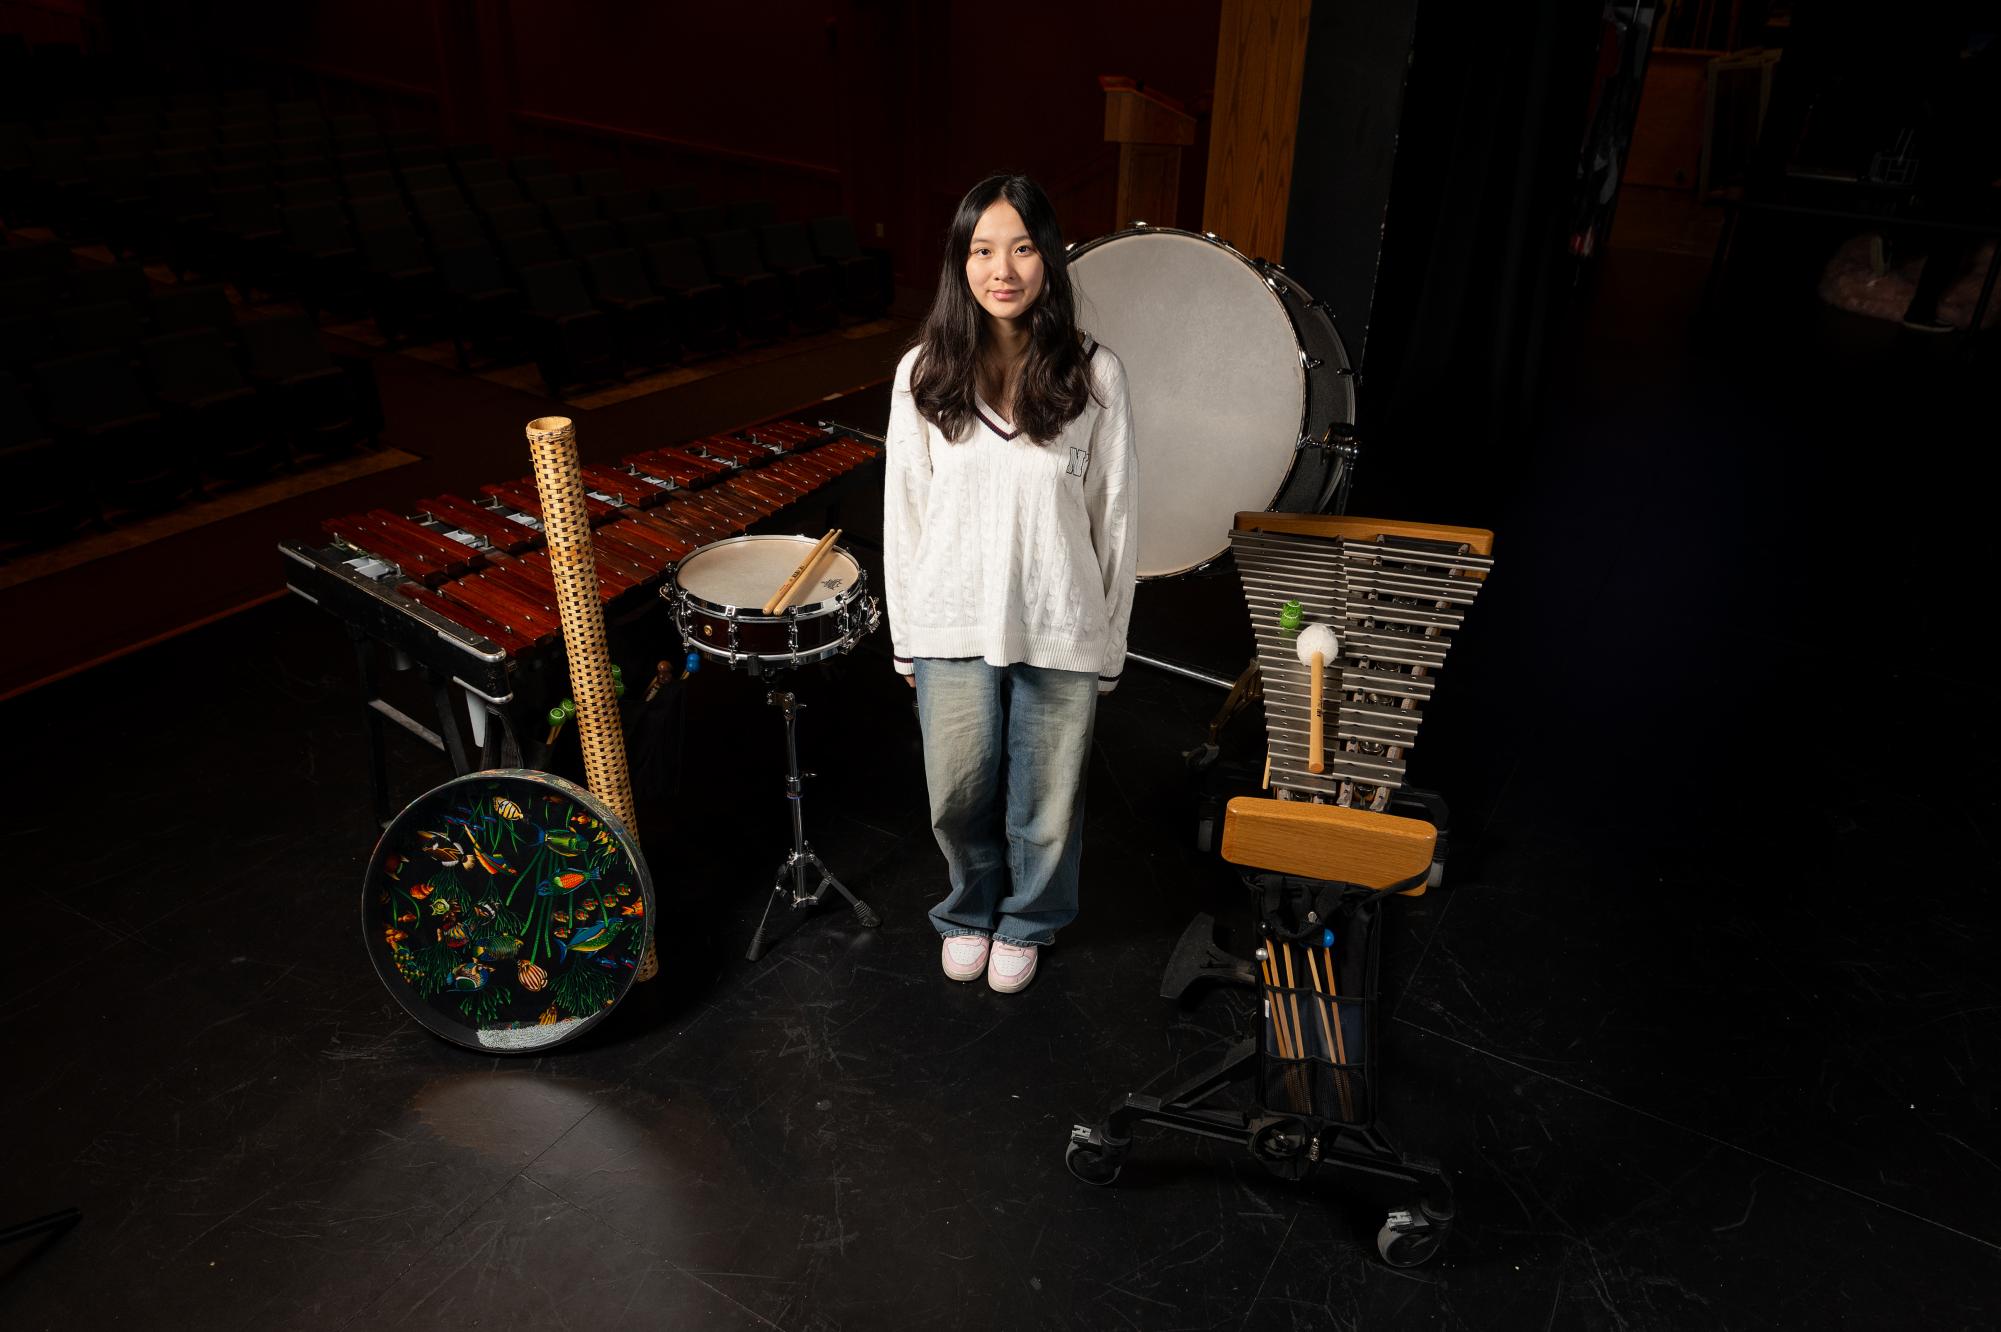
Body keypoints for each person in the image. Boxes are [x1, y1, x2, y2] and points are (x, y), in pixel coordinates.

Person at [881, 173, 1137, 994]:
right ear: (959, 263)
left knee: (1048, 802)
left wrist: (1109, 643)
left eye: (1022, 248)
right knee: (955, 791)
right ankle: (967, 910)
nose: (1003, 268)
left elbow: (1117, 519)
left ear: (1048, 260)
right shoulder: (922, 373)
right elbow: (904, 517)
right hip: (949, 619)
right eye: (983, 249)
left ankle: (1028, 921)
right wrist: (906, 635)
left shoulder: (1096, 376)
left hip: (1060, 621)